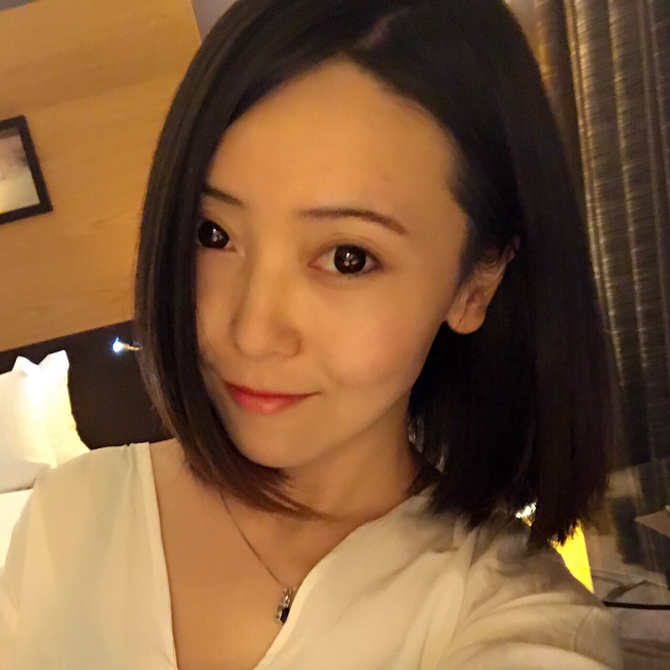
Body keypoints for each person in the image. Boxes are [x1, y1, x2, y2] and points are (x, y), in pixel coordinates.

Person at [0, 0, 624, 668]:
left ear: (476, 283)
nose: (251, 332)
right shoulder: (71, 518)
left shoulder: (517, 618)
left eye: (348, 257)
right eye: (214, 233)